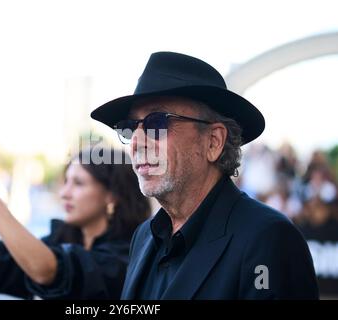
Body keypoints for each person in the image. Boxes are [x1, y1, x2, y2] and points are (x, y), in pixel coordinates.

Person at [90, 51, 319, 299]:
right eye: (130, 127)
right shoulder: (144, 237)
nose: (136, 142)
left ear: (213, 142)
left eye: (157, 123)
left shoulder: (268, 239)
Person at [0, 146, 150, 299]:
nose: (64, 193)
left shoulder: (131, 255)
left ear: (111, 195)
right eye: (65, 182)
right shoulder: (60, 239)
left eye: (78, 183)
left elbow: (47, 271)